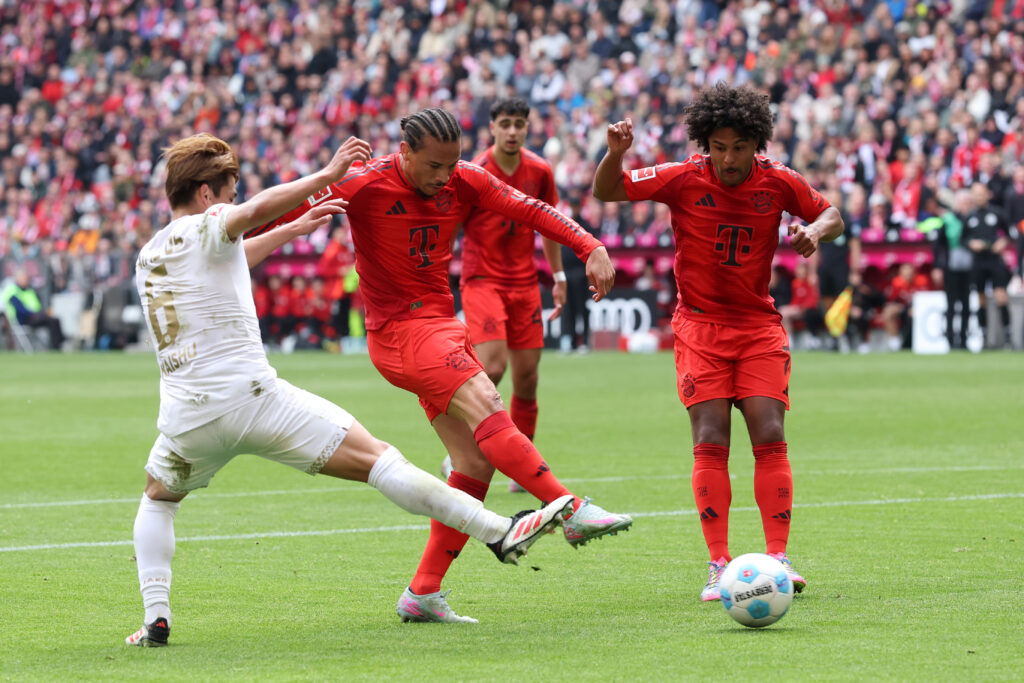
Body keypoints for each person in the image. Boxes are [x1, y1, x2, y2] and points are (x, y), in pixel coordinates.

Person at [125, 133, 575, 647]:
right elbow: (244, 215)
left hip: (186, 418)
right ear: (206, 194)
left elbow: (229, 258)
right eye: (227, 191)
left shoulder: (152, 254)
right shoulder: (209, 221)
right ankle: (497, 530)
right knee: (378, 460)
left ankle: (156, 619)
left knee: (158, 499)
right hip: (250, 398)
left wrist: (292, 231)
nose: (231, 201)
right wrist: (324, 176)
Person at [247, 108, 633, 623]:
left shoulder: (465, 177)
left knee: (474, 463)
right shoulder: (362, 184)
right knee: (488, 400)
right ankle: (569, 508)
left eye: (451, 164)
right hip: (399, 333)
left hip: (439, 325)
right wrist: (213, 237)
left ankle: (423, 592)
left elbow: (532, 209)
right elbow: (271, 215)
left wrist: (591, 245)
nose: (444, 176)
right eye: (433, 166)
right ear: (403, 153)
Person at [592, 83, 844, 601]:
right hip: (700, 328)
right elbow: (608, 191)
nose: (728, 158)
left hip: (757, 327)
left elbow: (833, 214)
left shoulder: (779, 182)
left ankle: (778, 557)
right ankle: (718, 563)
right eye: (719, 147)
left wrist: (815, 233)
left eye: (739, 147)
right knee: (711, 438)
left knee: (769, 432)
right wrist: (615, 156)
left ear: (758, 143)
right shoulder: (683, 177)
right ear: (705, 143)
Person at [445, 97, 566, 493]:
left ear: (527, 128)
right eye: (505, 124)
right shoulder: (474, 171)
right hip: (482, 279)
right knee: (493, 367)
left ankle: (522, 464)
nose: (513, 131)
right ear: (492, 128)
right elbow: (451, 227)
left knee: (527, 378)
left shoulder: (540, 171)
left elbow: (549, 223)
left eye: (519, 124)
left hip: (525, 282)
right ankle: (459, 451)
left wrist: (559, 274)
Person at [963, 182, 1013, 348]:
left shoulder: (997, 213)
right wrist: (971, 244)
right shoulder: (969, 217)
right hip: (978, 262)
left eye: (981, 193)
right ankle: (983, 337)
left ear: (987, 194)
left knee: (1001, 296)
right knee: (981, 299)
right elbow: (963, 239)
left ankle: (1007, 337)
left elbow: (1009, 234)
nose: (979, 196)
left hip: (995, 261)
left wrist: (1002, 242)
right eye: (976, 194)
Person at [0, 268, 65, 350]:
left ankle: (59, 344)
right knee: (52, 321)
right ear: (18, 278)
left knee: (54, 320)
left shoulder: (29, 290)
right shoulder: (12, 291)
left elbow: (37, 305)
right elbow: (20, 310)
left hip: (34, 316)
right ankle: (56, 346)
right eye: (25, 278)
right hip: (23, 319)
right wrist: (33, 314)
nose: (27, 280)